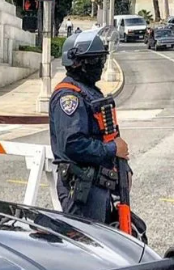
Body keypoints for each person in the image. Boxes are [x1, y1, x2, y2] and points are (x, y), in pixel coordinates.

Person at [49, 31, 130, 224]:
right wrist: (113, 150)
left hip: (99, 184)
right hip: (82, 188)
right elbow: (73, 144)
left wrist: (123, 170)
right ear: (78, 62)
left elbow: (105, 134)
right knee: (88, 246)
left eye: (101, 59)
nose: (100, 66)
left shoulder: (90, 91)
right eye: (95, 60)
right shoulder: (69, 97)